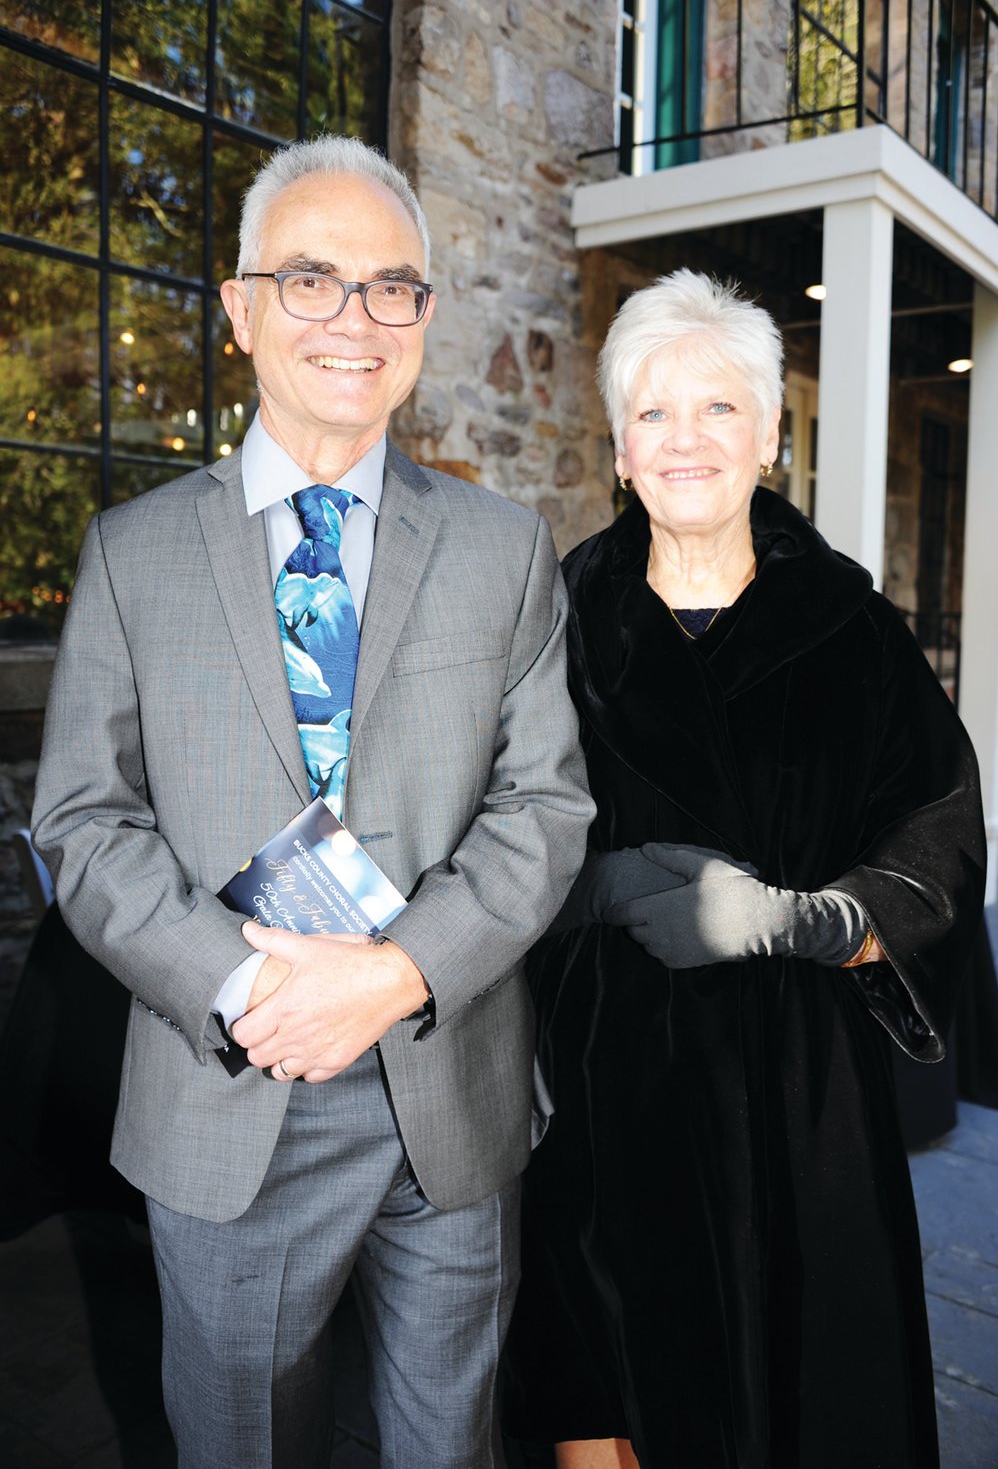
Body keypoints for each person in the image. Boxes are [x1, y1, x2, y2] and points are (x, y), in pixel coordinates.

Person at [31, 134, 594, 1469]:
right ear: (237, 309)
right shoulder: (131, 556)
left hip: (444, 1097)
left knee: (447, 1445)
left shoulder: (504, 547)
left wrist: (396, 969)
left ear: (424, 321)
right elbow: (82, 822)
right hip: (228, 1083)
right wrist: (244, 984)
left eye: (390, 286)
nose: (354, 317)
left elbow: (545, 807)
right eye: (309, 278)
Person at [502, 270, 986, 1469]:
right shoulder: (554, 620)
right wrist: (591, 887)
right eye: (654, 414)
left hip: (802, 1091)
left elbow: (941, 827)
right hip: (604, 1088)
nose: (686, 441)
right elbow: (487, 829)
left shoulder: (850, 628)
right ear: (618, 448)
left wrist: (811, 920)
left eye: (718, 409)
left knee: (809, 1404)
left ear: (769, 434)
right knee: (603, 1415)